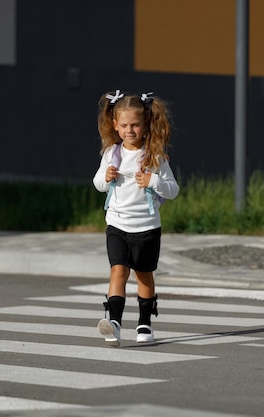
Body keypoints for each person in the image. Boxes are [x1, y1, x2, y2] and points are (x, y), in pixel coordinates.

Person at [92, 90, 180, 347]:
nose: (130, 130)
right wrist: (105, 178)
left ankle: (144, 323)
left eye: (135, 125)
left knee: (144, 276)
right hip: (117, 224)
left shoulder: (154, 156)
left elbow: (173, 190)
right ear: (115, 125)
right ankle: (115, 323)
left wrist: (153, 180)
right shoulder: (111, 153)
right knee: (118, 271)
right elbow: (97, 184)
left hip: (146, 227)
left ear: (145, 125)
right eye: (124, 125)